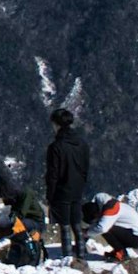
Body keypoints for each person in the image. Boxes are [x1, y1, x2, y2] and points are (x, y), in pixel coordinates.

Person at [43, 108, 93, 260]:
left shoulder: (56, 147)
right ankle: (81, 255)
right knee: (76, 223)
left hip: (61, 189)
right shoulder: (82, 144)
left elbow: (53, 174)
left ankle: (67, 257)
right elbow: (85, 167)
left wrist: (50, 195)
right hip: (77, 187)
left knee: (64, 225)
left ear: (56, 124)